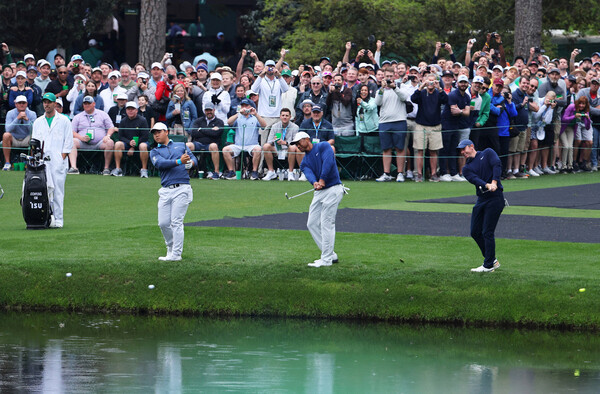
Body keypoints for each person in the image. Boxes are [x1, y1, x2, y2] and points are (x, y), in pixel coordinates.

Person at [290, 131, 345, 267]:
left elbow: (329, 162)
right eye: (295, 144)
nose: (298, 146)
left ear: (307, 139)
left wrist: (322, 179)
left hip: (333, 189)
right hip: (319, 192)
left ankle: (326, 260)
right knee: (312, 223)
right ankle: (330, 254)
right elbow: (308, 173)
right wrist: (315, 182)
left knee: (327, 223)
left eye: (299, 142)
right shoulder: (304, 162)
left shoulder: (323, 146)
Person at [149, 122, 197, 261]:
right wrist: (179, 162)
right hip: (165, 190)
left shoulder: (181, 145)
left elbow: (193, 158)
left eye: (159, 132)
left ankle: (176, 254)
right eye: (154, 133)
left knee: (176, 222)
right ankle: (170, 248)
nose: (156, 135)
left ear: (166, 132)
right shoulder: (155, 151)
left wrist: (190, 163)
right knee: (163, 223)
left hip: (182, 188)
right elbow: (160, 164)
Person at [458, 139, 503, 273]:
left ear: (471, 146)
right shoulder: (466, 168)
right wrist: (487, 185)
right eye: (460, 150)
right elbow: (475, 179)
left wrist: (494, 181)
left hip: (495, 198)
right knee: (475, 231)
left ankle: (488, 265)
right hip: (482, 198)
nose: (462, 152)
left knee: (487, 232)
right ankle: (492, 259)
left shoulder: (488, 153)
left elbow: (497, 164)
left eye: (463, 148)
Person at [31, 93, 73, 228]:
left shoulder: (64, 120)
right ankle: (45, 218)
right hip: (42, 160)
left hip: (57, 160)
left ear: (55, 103)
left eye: (49, 102)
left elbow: (68, 141)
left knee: (58, 191)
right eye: (44, 102)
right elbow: (34, 142)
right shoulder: (38, 122)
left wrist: (62, 157)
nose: (46, 104)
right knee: (43, 190)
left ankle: (58, 219)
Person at [68, 96, 117, 175]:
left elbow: (111, 127)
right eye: (85, 104)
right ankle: (74, 168)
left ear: (94, 104)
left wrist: (107, 135)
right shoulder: (77, 117)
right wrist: (81, 138)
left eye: (89, 103)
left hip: (100, 142)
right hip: (83, 142)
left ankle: (106, 168)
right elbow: (72, 131)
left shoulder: (103, 114)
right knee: (72, 141)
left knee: (110, 142)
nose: (87, 105)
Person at [222, 98, 266, 180]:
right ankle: (232, 172)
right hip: (238, 145)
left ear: (251, 106)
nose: (244, 107)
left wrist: (256, 114)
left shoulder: (255, 117)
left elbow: (264, 125)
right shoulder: (238, 117)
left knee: (258, 149)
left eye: (246, 105)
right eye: (243, 106)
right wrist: (239, 113)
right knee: (225, 150)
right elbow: (229, 122)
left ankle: (254, 172)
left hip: (252, 145)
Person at [187, 102, 224, 179]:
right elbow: (193, 133)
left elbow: (216, 134)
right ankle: (186, 172)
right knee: (187, 146)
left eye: (210, 110)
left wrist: (201, 130)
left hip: (210, 144)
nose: (209, 112)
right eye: (207, 110)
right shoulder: (198, 121)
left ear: (214, 110)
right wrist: (210, 130)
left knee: (214, 146)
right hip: (198, 143)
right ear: (204, 111)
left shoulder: (219, 122)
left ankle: (216, 172)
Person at [262, 107, 301, 180]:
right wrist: (274, 141)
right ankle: (271, 171)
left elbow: (295, 143)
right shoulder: (274, 126)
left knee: (292, 147)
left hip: (289, 150)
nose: (284, 117)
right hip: (277, 149)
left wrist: (285, 143)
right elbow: (269, 141)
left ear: (290, 117)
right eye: (283, 115)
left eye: (286, 115)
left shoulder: (295, 127)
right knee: (266, 146)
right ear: (280, 116)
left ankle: (290, 172)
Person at [114, 101, 150, 177]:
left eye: (132, 109)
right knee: (118, 144)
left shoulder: (142, 120)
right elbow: (120, 136)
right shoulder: (123, 121)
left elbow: (145, 136)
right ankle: (118, 169)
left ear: (136, 110)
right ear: (126, 110)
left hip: (140, 143)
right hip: (127, 143)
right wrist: (129, 143)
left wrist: (133, 147)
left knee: (143, 146)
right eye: (128, 109)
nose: (130, 111)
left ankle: (144, 170)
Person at [2, 95, 37, 169]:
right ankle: (7, 163)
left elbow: (34, 130)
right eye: (19, 103)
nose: (21, 105)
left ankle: (31, 162)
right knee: (6, 135)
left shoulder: (32, 114)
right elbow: (8, 129)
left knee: (35, 137)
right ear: (16, 104)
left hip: (26, 138)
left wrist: (27, 120)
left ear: (27, 104)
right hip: (14, 138)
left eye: (23, 103)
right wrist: (17, 118)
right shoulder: (10, 113)